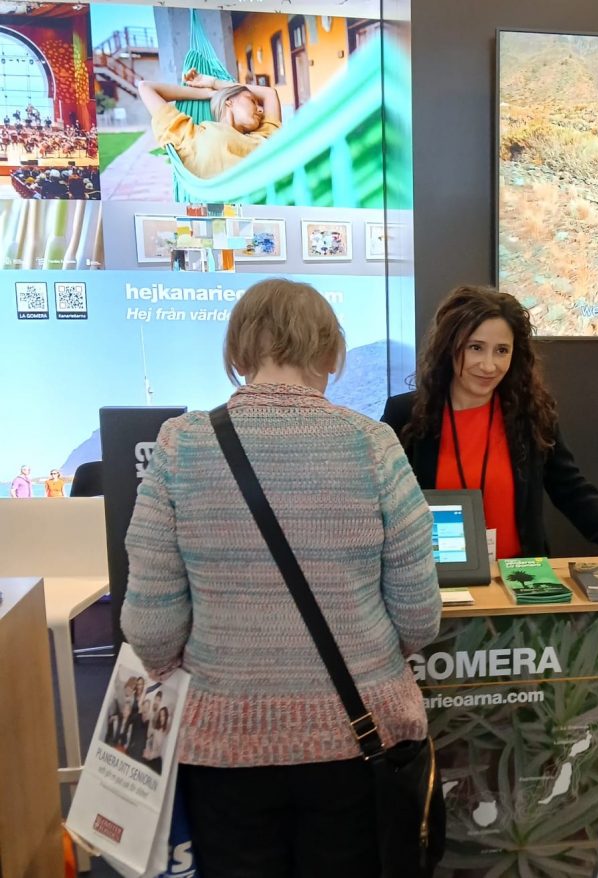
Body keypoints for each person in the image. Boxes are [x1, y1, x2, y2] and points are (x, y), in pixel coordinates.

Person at [122, 278, 440, 877]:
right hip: (358, 740)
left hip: (224, 751)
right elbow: (419, 618)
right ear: (329, 352)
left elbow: (153, 630)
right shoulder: (372, 445)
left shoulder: (180, 445)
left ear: (239, 354)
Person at [381, 285, 598, 559]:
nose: (489, 365)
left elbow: (573, 492)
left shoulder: (530, 414)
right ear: (449, 347)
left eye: (501, 351)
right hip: (438, 583)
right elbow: (379, 506)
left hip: (521, 583)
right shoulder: (405, 416)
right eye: (476, 348)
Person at [138, 68, 282, 180]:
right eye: (252, 100)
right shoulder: (191, 135)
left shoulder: (264, 134)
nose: (261, 109)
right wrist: (208, 93)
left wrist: (215, 83)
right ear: (228, 101)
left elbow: (269, 93)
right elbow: (146, 88)